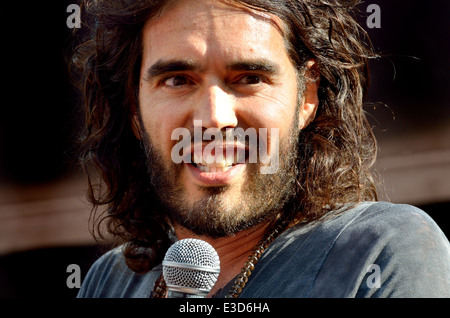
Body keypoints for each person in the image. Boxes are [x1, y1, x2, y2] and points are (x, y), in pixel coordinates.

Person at [73, 0, 450, 298]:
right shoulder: (111, 280)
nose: (214, 118)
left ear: (308, 97)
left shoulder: (379, 251)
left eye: (250, 78)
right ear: (134, 111)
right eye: (177, 80)